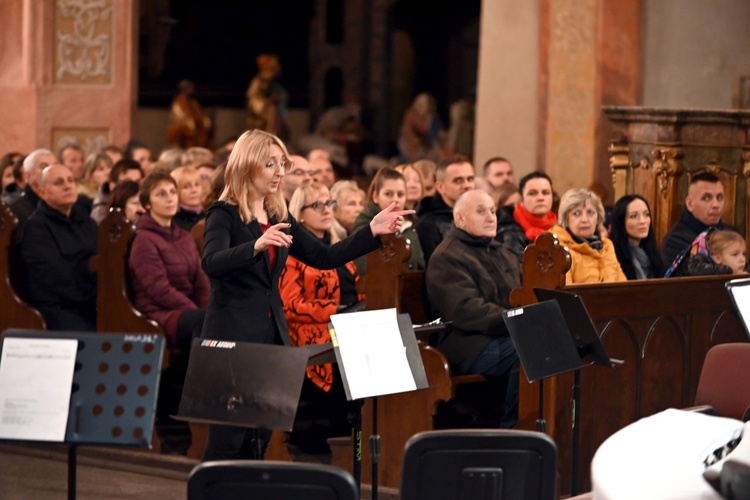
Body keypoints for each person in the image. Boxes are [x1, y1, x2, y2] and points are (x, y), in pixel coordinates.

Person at [197, 129, 412, 461]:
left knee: (261, 439)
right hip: (232, 338)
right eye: (270, 164)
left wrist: (370, 231)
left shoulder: (279, 215)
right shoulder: (223, 213)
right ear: (247, 165)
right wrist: (255, 245)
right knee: (228, 440)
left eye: (282, 163)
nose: (279, 172)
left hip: (271, 337)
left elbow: (324, 257)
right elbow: (211, 263)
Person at [425, 189, 520, 428]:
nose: (491, 217)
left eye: (493, 211)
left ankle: (551, 426)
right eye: (481, 211)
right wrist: (516, 319)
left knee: (557, 343)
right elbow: (466, 310)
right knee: (528, 350)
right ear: (460, 219)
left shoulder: (503, 253)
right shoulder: (447, 257)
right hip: (468, 344)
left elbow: (522, 297)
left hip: (505, 333)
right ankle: (515, 432)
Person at [279, 182, 363, 393]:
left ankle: (371, 422)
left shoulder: (338, 248)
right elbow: (290, 306)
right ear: (299, 215)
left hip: (350, 325)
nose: (327, 210)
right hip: (315, 329)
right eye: (317, 205)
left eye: (329, 203)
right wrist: (335, 311)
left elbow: (356, 290)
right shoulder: (291, 254)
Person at [129, 172, 209, 350]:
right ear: (147, 203)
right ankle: (199, 377)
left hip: (187, 310)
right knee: (202, 321)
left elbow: (201, 279)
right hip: (158, 313)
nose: (170, 198)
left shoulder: (184, 236)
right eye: (161, 194)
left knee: (223, 318)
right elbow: (158, 289)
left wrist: (206, 309)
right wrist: (195, 310)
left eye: (173, 192)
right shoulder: (143, 240)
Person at [19, 164, 98, 330]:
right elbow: (56, 277)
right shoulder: (36, 228)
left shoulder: (86, 222)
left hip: (92, 301)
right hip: (59, 308)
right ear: (42, 192)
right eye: (59, 182)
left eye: (70, 180)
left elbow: (102, 259)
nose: (68, 186)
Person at [352, 167, 424, 275]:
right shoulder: (364, 225)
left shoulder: (409, 226)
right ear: (376, 196)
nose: (395, 199)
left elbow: (420, 267)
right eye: (388, 194)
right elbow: (365, 269)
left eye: (400, 194)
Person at [548, 188, 626, 284]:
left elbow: (624, 288)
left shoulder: (607, 246)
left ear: (598, 218)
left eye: (590, 212)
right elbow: (564, 295)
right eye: (576, 214)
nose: (585, 220)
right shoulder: (558, 249)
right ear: (566, 219)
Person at [661, 172, 729, 276]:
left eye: (719, 197)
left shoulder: (731, 234)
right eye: (706, 198)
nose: (716, 205)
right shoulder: (675, 240)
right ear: (690, 203)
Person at [415, 155, 475, 264]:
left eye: (470, 179)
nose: (467, 185)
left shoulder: (479, 217)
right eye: (458, 180)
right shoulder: (427, 225)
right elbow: (436, 269)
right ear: (440, 187)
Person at [495, 171, 557, 265]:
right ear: (521, 199)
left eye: (545, 193)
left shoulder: (559, 227)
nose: (540, 198)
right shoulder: (509, 232)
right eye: (532, 193)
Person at [609, 194, 662, 280]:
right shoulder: (612, 255)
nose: (642, 221)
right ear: (621, 222)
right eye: (633, 216)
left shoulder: (653, 253)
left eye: (646, 214)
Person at [10, 148, 58, 225]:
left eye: (55, 166)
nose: (51, 171)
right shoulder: (15, 211)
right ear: (28, 176)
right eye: (44, 167)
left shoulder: (64, 205)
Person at [246, 54, 289, 140]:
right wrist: (268, 102)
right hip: (259, 126)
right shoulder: (257, 84)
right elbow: (255, 104)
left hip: (271, 127)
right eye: (271, 70)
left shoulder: (273, 85)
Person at [90, 159, 144, 224]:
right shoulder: (100, 213)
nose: (133, 187)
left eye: (138, 182)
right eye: (126, 183)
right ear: (112, 185)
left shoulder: (145, 206)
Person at [398, 92, 445, 162]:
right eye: (420, 104)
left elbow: (437, 132)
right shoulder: (411, 115)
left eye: (425, 104)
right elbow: (409, 133)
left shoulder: (432, 117)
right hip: (413, 146)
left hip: (427, 146)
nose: (422, 106)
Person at [167, 79, 213, 149]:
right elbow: (181, 118)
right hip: (185, 131)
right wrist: (192, 124)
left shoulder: (193, 103)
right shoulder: (178, 102)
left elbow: (200, 116)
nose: (193, 89)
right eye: (190, 87)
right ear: (185, 89)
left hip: (196, 131)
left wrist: (204, 122)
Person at [682, 229, 748, 276]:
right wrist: (729, 272)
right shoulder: (698, 264)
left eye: (743, 254)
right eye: (735, 254)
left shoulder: (745, 271)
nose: (742, 259)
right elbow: (693, 268)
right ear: (717, 258)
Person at [170, 165, 205, 231]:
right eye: (186, 187)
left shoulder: (209, 214)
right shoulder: (172, 221)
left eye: (197, 184)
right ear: (175, 191)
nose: (194, 190)